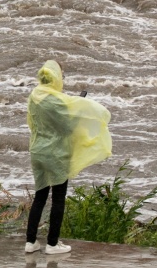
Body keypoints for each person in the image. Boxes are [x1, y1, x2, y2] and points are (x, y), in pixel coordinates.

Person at [24, 60, 112, 255]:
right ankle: (52, 244)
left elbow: (33, 122)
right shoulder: (58, 101)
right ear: (56, 77)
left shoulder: (34, 95)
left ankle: (30, 242)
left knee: (40, 196)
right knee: (58, 199)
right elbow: (68, 127)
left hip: (37, 151)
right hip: (56, 154)